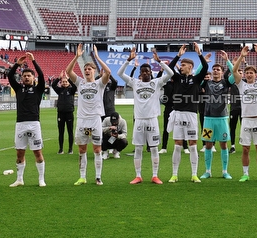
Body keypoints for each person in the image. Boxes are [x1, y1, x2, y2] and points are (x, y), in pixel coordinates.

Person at [117, 48, 173, 184]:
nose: (145, 73)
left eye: (147, 71)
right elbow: (120, 73)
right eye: (143, 71)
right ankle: (138, 175)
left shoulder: (157, 83)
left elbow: (170, 73)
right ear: (140, 74)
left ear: (150, 72)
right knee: (138, 148)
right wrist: (128, 60)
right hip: (139, 120)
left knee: (154, 148)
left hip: (152, 120)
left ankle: (155, 175)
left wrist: (160, 62)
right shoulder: (135, 82)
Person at [66, 44, 112, 186]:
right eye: (85, 69)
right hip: (82, 121)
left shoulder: (99, 84)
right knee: (82, 149)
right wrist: (76, 56)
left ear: (94, 71)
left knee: (97, 149)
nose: (87, 70)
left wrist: (97, 57)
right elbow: (68, 71)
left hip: (95, 120)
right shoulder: (80, 83)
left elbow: (108, 72)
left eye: (89, 69)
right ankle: (82, 176)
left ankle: (98, 177)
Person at [165, 42, 208, 183]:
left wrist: (199, 53)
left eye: (184, 65)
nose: (181, 67)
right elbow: (170, 68)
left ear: (190, 67)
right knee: (177, 144)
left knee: (193, 144)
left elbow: (206, 67)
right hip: (178, 113)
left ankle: (194, 174)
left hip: (191, 115)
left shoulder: (196, 79)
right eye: (181, 65)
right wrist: (178, 56)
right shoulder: (177, 78)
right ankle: (174, 174)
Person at [230, 44, 257, 182]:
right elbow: (234, 70)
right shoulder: (241, 84)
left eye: (251, 73)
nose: (248, 74)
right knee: (245, 149)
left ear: (255, 74)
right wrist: (241, 56)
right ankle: (245, 173)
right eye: (246, 73)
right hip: (246, 120)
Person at [7, 52, 47, 187]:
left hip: (34, 123)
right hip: (20, 124)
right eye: (24, 76)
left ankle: (41, 179)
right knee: (19, 152)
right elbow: (9, 76)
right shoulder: (18, 88)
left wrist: (34, 61)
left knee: (37, 152)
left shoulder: (38, 89)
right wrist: (17, 64)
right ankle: (19, 179)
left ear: (33, 78)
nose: (26, 77)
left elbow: (42, 76)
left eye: (29, 76)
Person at [199, 52, 234, 179]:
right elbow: (197, 75)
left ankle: (225, 171)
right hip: (208, 118)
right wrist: (203, 61)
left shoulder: (226, 83)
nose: (215, 71)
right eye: (213, 69)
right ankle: (208, 171)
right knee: (208, 144)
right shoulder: (206, 83)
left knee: (223, 144)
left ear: (222, 72)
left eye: (218, 69)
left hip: (222, 118)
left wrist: (228, 60)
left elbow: (235, 75)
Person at [50, 74, 75, 154]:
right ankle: (61, 149)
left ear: (68, 83)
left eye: (66, 82)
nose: (64, 83)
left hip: (69, 113)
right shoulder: (59, 90)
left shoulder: (71, 90)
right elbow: (53, 85)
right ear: (61, 83)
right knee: (61, 132)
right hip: (60, 114)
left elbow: (75, 86)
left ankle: (70, 149)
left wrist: (69, 79)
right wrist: (58, 78)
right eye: (63, 82)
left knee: (70, 131)